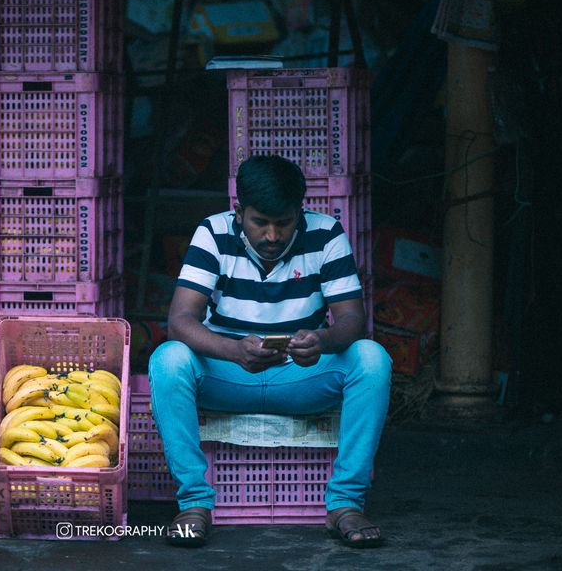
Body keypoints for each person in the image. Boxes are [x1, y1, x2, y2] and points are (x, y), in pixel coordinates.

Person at [149, 155, 391, 549]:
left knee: (371, 358)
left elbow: (352, 320)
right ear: (239, 211)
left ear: (300, 212)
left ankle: (345, 503)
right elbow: (180, 320)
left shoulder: (326, 234)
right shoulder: (212, 232)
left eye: (285, 222)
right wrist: (232, 350)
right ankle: (194, 503)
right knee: (168, 358)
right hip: (227, 374)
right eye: (261, 222)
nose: (273, 235)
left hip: (301, 375)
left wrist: (323, 341)